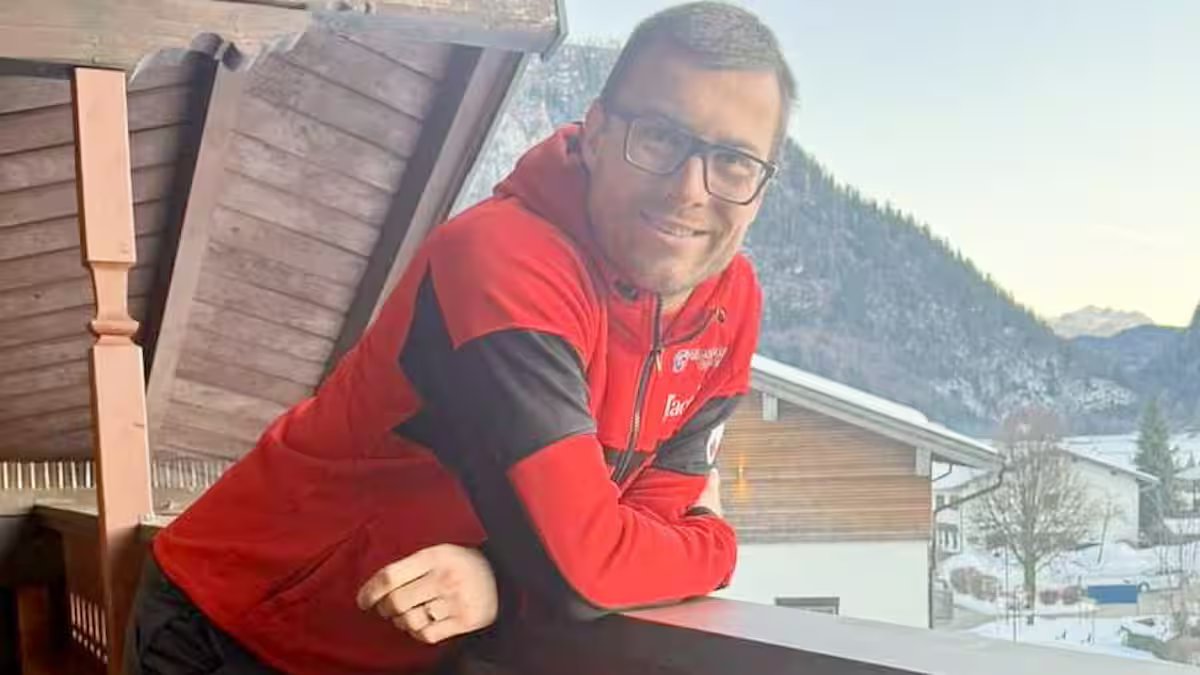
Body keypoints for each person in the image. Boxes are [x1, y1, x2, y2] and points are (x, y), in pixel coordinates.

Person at [125, 2, 795, 672]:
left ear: (763, 186)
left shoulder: (730, 305)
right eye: (658, 138)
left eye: (734, 161)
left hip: (384, 651)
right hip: (231, 627)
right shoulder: (503, 260)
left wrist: (506, 577)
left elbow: (644, 523)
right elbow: (586, 566)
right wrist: (717, 545)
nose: (689, 190)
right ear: (595, 134)